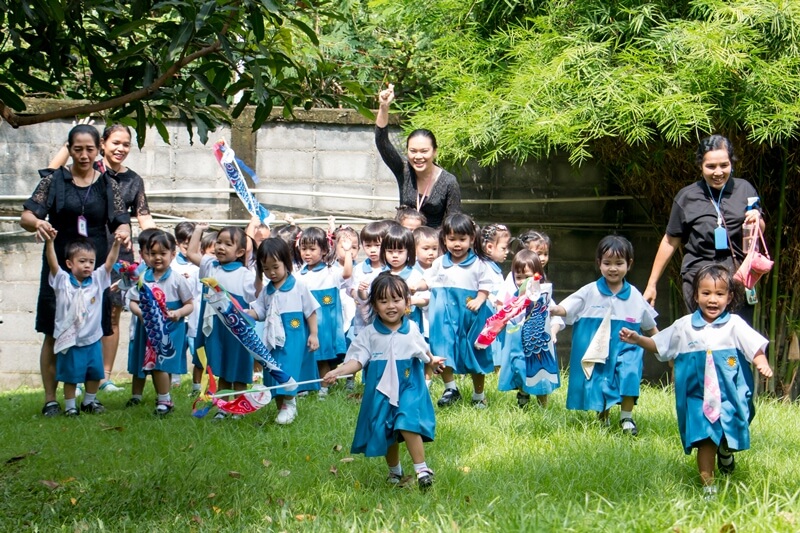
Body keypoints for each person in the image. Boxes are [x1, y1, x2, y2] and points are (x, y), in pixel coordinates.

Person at [620, 264, 773, 499]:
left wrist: (761, 360)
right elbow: (660, 345)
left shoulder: (734, 324)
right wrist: (638, 339)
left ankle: (725, 449)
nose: (713, 300)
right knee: (704, 439)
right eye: (706, 293)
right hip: (696, 396)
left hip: (730, 394)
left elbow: (754, 345)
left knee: (734, 426)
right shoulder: (684, 326)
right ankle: (708, 488)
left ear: (729, 297)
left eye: (720, 294)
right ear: (696, 295)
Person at [21, 124, 131, 417]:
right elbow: (27, 214)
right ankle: (50, 399)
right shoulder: (55, 180)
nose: (84, 155)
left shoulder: (108, 183)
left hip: (93, 267)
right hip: (60, 263)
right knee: (52, 331)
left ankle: (90, 397)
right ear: (69, 149)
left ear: (99, 150)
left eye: (89, 149)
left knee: (94, 329)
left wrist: (123, 231)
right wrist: (38, 223)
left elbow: (121, 219)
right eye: (77, 149)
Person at [49, 123, 155, 392]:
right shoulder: (88, 171)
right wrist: (72, 142)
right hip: (88, 248)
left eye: (126, 144)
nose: (121, 149)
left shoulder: (133, 180)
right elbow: (52, 172)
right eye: (115, 143)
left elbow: (142, 214)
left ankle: (103, 376)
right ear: (103, 144)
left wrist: (155, 243)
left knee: (112, 312)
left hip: (119, 252)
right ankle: (77, 374)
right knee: (77, 311)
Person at [323, 274, 445, 490]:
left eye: (397, 300)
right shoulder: (369, 334)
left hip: (409, 385)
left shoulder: (412, 329)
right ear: (374, 305)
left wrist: (433, 361)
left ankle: (422, 469)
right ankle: (395, 471)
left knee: (407, 422)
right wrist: (339, 371)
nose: (391, 306)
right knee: (387, 430)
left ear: (407, 303)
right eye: (383, 301)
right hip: (380, 391)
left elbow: (423, 351)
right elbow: (357, 360)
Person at [643, 134, 764, 324]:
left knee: (736, 340)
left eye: (724, 165)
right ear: (700, 166)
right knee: (701, 339)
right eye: (711, 166)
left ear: (732, 163)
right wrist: (652, 284)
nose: (718, 172)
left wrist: (757, 219)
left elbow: (759, 231)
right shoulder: (686, 197)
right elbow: (669, 241)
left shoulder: (745, 189)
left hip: (736, 280)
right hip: (698, 279)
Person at [551, 235, 658, 435]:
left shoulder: (635, 295)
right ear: (599, 264)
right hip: (598, 348)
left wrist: (663, 348)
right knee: (600, 380)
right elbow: (566, 308)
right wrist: (553, 310)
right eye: (607, 263)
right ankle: (603, 419)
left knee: (630, 375)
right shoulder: (590, 291)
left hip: (627, 347)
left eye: (619, 263)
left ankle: (626, 418)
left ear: (629, 264)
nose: (613, 268)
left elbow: (650, 325)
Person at [414, 213, 494, 408]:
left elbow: (486, 286)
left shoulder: (479, 264)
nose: (456, 244)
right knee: (442, 350)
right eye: (451, 239)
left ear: (472, 239)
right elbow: (428, 280)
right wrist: (416, 286)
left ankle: (479, 394)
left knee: (475, 353)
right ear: (444, 240)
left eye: (462, 239)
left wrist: (479, 299)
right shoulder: (440, 263)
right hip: (443, 317)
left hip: (470, 317)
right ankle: (451, 388)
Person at [45, 233, 123, 416]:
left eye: (91, 261)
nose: (87, 265)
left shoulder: (97, 280)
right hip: (70, 339)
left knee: (95, 373)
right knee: (71, 376)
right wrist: (49, 242)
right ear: (70, 264)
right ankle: (71, 406)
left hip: (92, 338)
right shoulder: (63, 281)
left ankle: (89, 402)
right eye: (82, 261)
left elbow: (110, 263)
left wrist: (117, 244)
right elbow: (52, 264)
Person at [247, 238, 320, 424]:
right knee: (273, 370)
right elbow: (260, 312)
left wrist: (313, 334)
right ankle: (282, 407)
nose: (271, 272)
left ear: (286, 263)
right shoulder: (266, 291)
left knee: (288, 369)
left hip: (293, 337)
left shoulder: (298, 286)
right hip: (272, 339)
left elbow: (310, 311)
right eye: (266, 268)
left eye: (275, 267)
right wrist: (245, 313)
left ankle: (290, 403)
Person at [187, 224, 256, 418]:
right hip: (216, 328)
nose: (221, 247)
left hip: (237, 329)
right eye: (218, 242)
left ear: (240, 251)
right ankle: (224, 408)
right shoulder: (210, 265)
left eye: (228, 244)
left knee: (238, 369)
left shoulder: (245, 274)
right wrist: (199, 230)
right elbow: (192, 253)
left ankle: (239, 408)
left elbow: (257, 294)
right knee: (223, 369)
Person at [375, 83, 461, 228]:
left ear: (434, 151)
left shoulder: (448, 182)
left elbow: (453, 223)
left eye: (424, 151)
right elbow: (382, 142)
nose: (418, 156)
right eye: (413, 151)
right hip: (403, 243)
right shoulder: (404, 170)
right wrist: (384, 107)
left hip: (432, 246)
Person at [128, 231, 194, 415]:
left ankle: (165, 400)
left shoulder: (177, 279)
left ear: (173, 254)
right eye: (153, 253)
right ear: (146, 255)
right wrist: (142, 313)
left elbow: (190, 304)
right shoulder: (143, 278)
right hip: (148, 328)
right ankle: (162, 398)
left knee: (162, 364)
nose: (158, 258)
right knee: (153, 364)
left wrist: (178, 313)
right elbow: (133, 301)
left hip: (170, 328)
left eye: (163, 253)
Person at [497, 250, 564, 408]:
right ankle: (523, 394)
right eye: (519, 278)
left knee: (540, 374)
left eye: (527, 277)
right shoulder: (513, 297)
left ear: (538, 275)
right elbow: (503, 314)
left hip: (537, 344)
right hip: (517, 344)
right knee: (518, 368)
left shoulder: (543, 296)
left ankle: (543, 406)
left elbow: (556, 318)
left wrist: (553, 332)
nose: (523, 282)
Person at [295, 226, 353, 398]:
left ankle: (324, 387)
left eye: (312, 249)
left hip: (326, 323)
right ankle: (307, 385)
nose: (307, 253)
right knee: (308, 354)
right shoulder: (299, 275)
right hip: (307, 322)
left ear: (324, 250)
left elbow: (347, 273)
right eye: (303, 249)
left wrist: (348, 252)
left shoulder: (331, 271)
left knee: (324, 355)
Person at [381, 224, 427, 333]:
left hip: (410, 324)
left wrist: (412, 300)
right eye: (390, 251)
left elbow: (426, 299)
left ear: (409, 251)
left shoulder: (415, 274)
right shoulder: (381, 274)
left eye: (400, 251)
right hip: (385, 325)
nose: (395, 255)